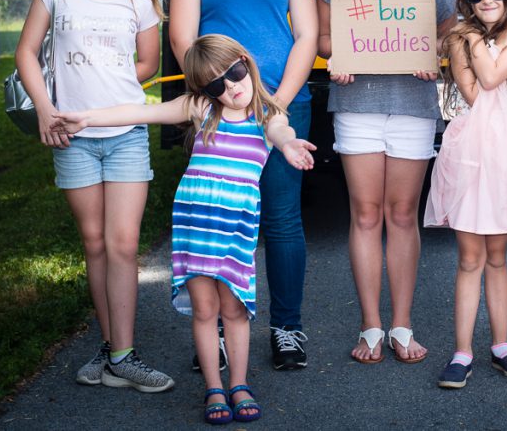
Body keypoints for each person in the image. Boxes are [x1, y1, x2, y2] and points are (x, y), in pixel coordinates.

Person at [51, 35, 316, 424]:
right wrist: (88, 119)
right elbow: (140, 112)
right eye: (215, 85)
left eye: (235, 73)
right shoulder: (200, 108)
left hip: (236, 229)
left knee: (235, 310)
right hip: (195, 225)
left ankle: (239, 384)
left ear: (246, 62)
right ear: (203, 90)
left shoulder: (267, 112)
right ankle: (213, 387)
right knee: (206, 310)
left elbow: (281, 132)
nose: (230, 88)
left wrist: (290, 147)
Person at [170, 0, 319, 371]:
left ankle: (286, 329)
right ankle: (214, 334)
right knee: (219, 219)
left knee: (280, 218)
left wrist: (272, 103)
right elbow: (184, 39)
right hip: (219, 109)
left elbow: (307, 34)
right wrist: (226, 96)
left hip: (282, 102)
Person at [14, 0, 172, 392]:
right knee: (96, 244)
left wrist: (112, 88)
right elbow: (25, 52)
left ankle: (123, 356)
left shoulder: (139, 1)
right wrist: (45, 108)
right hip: (71, 138)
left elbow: (146, 64)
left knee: (123, 245)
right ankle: (111, 350)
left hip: (126, 135)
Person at [316, 0, 456, 365]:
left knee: (401, 215)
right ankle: (370, 325)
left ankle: (402, 324)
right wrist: (342, 57)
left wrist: (433, 55)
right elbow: (324, 39)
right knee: (365, 213)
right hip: (356, 106)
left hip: (414, 106)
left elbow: (446, 35)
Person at [424, 0, 507, 389]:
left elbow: (490, 79)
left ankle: (502, 346)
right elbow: (471, 94)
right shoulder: (460, 38)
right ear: (467, 0)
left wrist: (471, 43)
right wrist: (466, 42)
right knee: (469, 258)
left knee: (497, 257)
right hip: (470, 149)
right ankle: (462, 351)